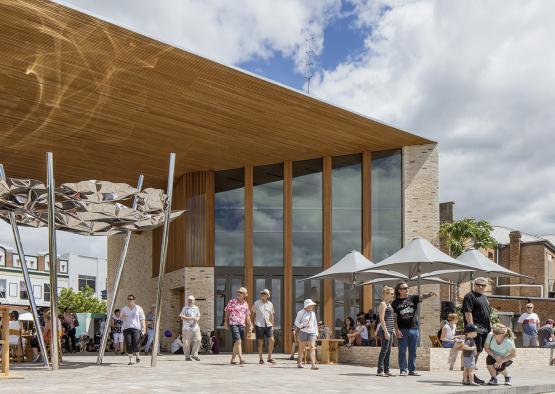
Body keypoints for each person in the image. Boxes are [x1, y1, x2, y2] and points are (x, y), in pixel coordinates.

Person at [392, 282, 437, 376]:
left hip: (414, 329)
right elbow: (394, 318)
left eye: (407, 287)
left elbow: (422, 296)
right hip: (402, 329)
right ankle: (403, 370)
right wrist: (396, 330)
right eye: (404, 288)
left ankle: (412, 370)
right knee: (402, 351)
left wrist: (430, 293)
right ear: (399, 290)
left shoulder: (413, 298)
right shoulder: (395, 302)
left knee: (413, 351)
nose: (407, 289)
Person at [462, 277, 492, 385]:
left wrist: (491, 327)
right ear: (474, 285)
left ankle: (471, 374)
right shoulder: (470, 296)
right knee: (473, 352)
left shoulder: (484, 297)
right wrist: (472, 328)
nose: (480, 286)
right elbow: (467, 312)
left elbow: (487, 314)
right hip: (476, 330)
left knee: (478, 351)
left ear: (486, 286)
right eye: (478, 284)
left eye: (483, 285)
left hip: (485, 329)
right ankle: (470, 376)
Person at [224, 286, 252, 365]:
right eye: (238, 292)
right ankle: (241, 359)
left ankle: (232, 359)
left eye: (241, 292)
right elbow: (227, 312)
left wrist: (250, 325)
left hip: (242, 325)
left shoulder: (246, 304)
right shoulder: (232, 302)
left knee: (237, 343)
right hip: (234, 324)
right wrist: (225, 322)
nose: (238, 293)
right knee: (238, 341)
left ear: (244, 295)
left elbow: (247, 316)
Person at [251, 289, 276, 364]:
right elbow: (252, 313)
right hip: (259, 324)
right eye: (262, 293)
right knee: (260, 342)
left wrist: (273, 325)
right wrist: (252, 324)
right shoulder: (256, 303)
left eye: (264, 294)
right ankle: (261, 358)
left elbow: (272, 316)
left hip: (268, 325)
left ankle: (269, 357)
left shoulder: (270, 304)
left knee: (272, 340)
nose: (263, 295)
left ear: (268, 296)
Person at [120, 294, 146, 365]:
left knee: (136, 343)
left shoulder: (139, 308)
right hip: (126, 328)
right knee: (128, 343)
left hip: (136, 328)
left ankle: (137, 356)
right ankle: (131, 360)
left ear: (134, 300)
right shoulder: (124, 308)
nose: (129, 300)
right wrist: (123, 317)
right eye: (128, 299)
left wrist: (144, 328)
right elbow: (120, 318)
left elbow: (142, 318)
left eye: (131, 299)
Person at [295, 299, 319, 370]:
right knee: (301, 348)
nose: (312, 306)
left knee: (312, 348)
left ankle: (313, 365)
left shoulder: (313, 313)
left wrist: (316, 333)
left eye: (312, 305)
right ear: (307, 306)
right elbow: (296, 322)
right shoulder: (300, 313)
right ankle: (299, 363)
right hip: (303, 332)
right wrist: (301, 326)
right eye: (311, 305)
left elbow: (315, 324)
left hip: (312, 332)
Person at [377, 286, 396, 377]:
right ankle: (380, 371)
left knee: (388, 351)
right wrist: (386, 331)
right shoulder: (383, 304)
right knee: (384, 350)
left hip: (390, 330)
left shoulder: (389, 304)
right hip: (385, 330)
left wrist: (393, 329)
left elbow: (390, 318)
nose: (393, 295)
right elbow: (381, 318)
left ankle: (386, 370)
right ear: (385, 294)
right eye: (391, 294)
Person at [180, 295, 201, 361]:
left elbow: (198, 316)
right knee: (186, 342)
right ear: (187, 301)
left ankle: (194, 354)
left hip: (195, 327)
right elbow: (181, 317)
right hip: (187, 328)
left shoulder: (196, 308)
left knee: (198, 339)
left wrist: (197, 319)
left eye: (191, 300)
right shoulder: (185, 308)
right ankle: (187, 356)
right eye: (189, 300)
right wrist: (191, 318)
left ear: (194, 301)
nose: (190, 301)